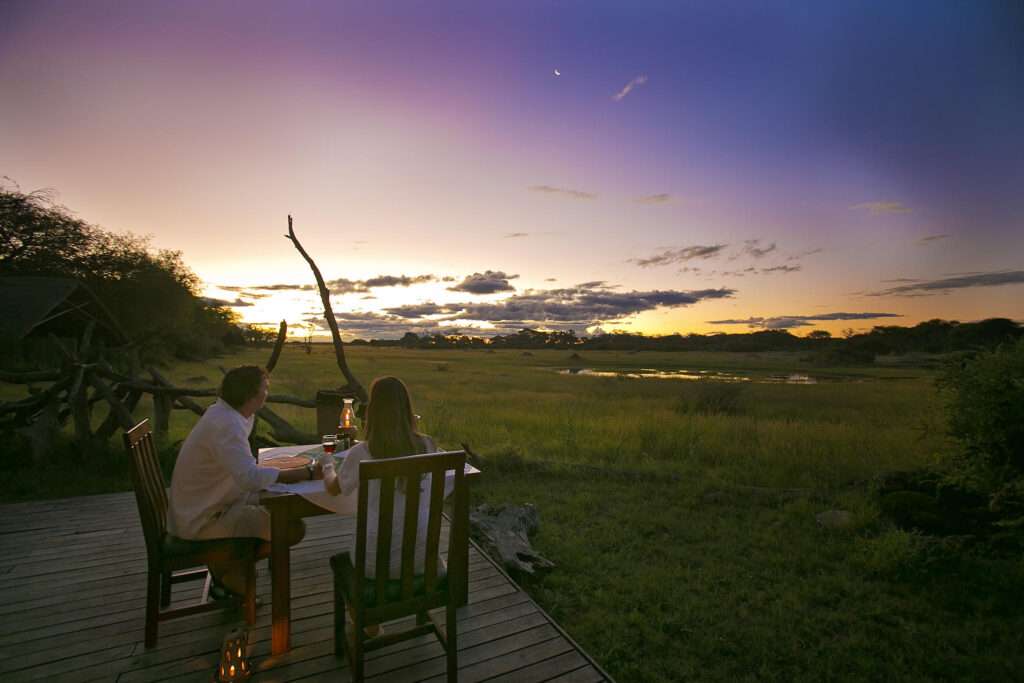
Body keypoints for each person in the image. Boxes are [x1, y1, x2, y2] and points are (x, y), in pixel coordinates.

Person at [168, 365, 313, 598]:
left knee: (279, 506)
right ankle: (230, 571)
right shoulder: (227, 425)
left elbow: (244, 469)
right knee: (291, 528)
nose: (267, 392)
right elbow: (248, 478)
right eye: (265, 388)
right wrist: (302, 473)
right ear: (251, 395)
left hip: (208, 503)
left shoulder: (225, 413)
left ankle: (226, 568)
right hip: (203, 518)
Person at [325, 376, 443, 579]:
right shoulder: (428, 446)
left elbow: (335, 489)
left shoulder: (361, 452)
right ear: (407, 408)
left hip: (372, 565)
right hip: (422, 560)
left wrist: (327, 465)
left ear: (373, 411)